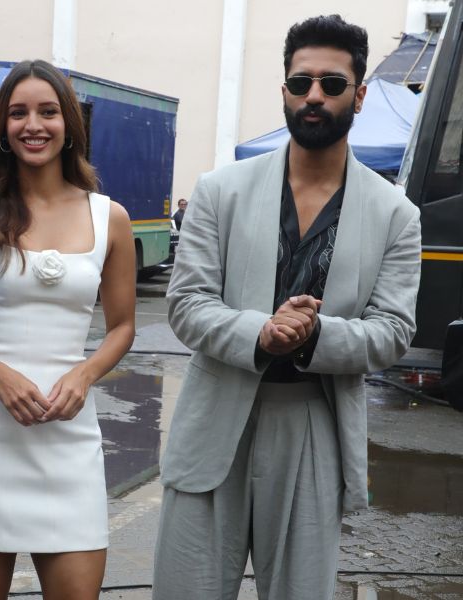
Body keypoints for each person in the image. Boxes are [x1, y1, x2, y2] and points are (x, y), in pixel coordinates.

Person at [153, 15, 421, 600]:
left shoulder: (395, 214)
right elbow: (187, 304)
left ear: (359, 96)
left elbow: (393, 330)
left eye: (332, 83)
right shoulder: (220, 191)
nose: (314, 96)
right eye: (301, 83)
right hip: (215, 417)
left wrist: (314, 336)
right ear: (284, 92)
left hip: (312, 421)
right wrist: (261, 333)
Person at [0, 59, 136, 600]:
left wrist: (84, 375)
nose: (33, 125)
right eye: (18, 113)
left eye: (48, 112)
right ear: (3, 127)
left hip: (69, 435)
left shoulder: (110, 218)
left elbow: (122, 327)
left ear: (69, 124)